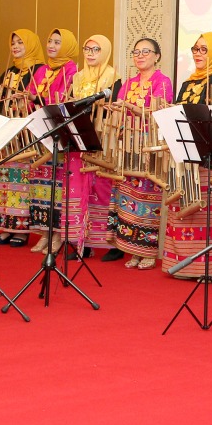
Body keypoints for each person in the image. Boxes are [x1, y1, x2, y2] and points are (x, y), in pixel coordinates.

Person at [162, 32, 212, 278]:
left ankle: (211, 269)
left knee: (211, 212)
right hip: (186, 154)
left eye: (204, 49)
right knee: (185, 207)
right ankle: (184, 266)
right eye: (195, 48)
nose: (197, 53)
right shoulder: (188, 82)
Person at [109, 38, 174, 269]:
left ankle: (147, 250)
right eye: (136, 51)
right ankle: (131, 249)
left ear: (157, 56)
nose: (140, 55)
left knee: (147, 198)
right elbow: (119, 111)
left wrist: (130, 108)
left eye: (146, 51)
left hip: (148, 146)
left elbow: (159, 114)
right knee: (127, 197)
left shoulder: (163, 82)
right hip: (128, 146)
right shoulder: (128, 83)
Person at [0, 29, 44, 247]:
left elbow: (39, 98)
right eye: (13, 42)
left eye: (21, 42)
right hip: (7, 133)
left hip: (26, 133)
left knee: (22, 183)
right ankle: (5, 226)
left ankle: (21, 230)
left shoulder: (39, 70)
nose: (16, 46)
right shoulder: (9, 71)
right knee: (3, 181)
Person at [28, 28, 81, 255]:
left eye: (57, 42)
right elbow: (32, 96)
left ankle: (58, 233)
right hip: (39, 131)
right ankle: (44, 233)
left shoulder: (72, 71)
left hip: (58, 133)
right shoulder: (41, 70)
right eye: (50, 41)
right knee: (41, 186)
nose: (51, 45)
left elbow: (64, 102)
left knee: (58, 187)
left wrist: (40, 100)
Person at [71, 34, 119, 258]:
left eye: (96, 49)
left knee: (101, 189)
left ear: (105, 52)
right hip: (79, 137)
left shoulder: (113, 77)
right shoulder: (77, 78)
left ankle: (104, 243)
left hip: (102, 139)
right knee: (79, 188)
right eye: (87, 49)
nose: (90, 53)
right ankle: (81, 242)